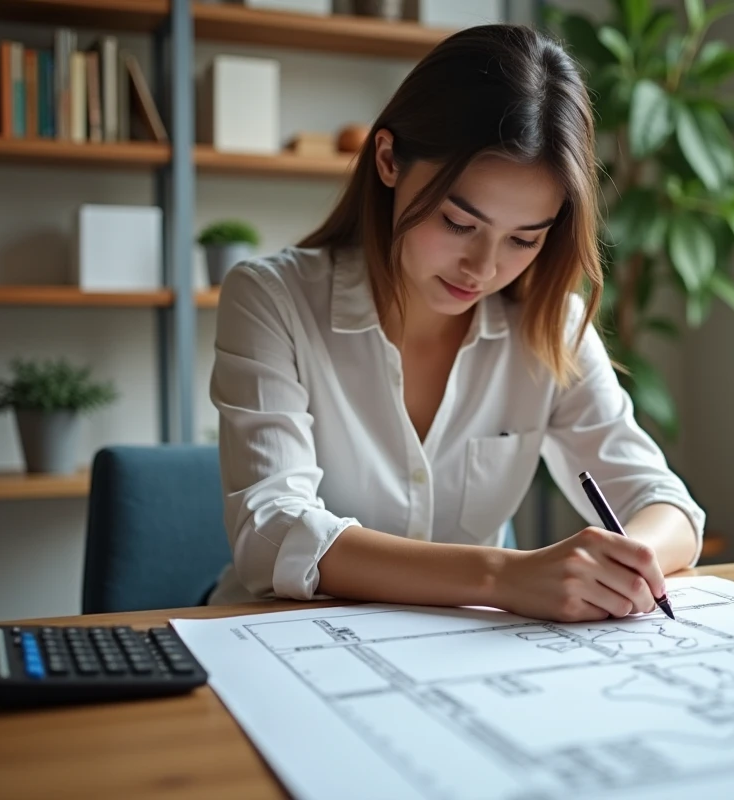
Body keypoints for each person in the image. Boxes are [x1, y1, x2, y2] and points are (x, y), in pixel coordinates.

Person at [207, 24, 706, 622]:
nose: (485, 267)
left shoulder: (550, 325)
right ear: (389, 160)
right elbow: (272, 531)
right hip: (277, 642)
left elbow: (664, 503)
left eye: (524, 239)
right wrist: (503, 575)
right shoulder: (272, 299)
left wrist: (626, 564)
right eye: (458, 224)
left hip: (463, 655)